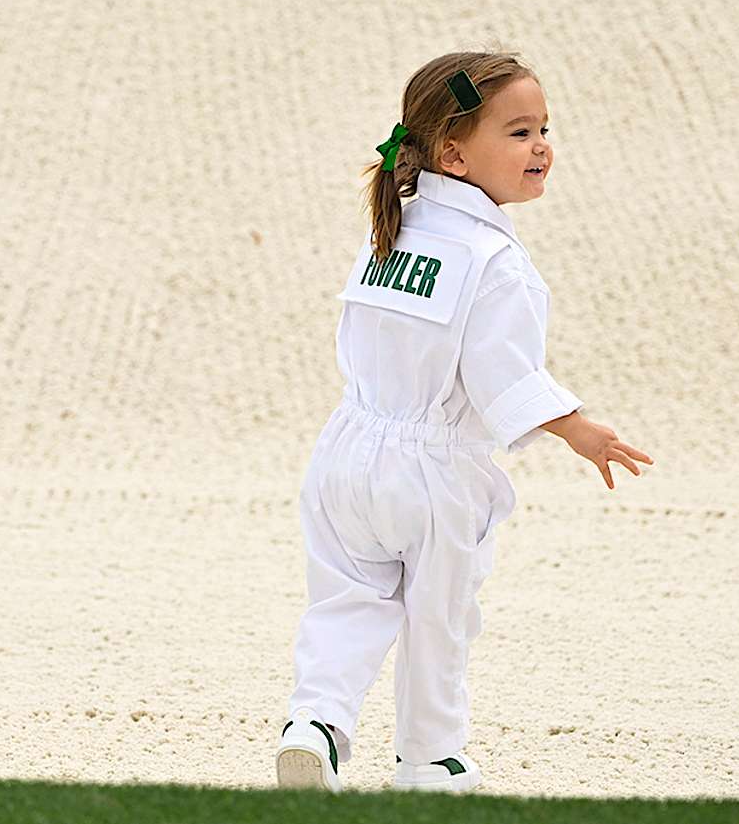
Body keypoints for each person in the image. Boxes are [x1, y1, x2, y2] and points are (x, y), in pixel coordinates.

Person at [277, 52, 652, 791]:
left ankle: (314, 722)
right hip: (433, 471)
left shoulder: (394, 228)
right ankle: (428, 756)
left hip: (347, 452)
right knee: (438, 617)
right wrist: (576, 425)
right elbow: (502, 374)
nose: (541, 145)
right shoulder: (494, 260)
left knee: (348, 599)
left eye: (544, 128)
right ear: (453, 151)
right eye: (517, 131)